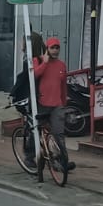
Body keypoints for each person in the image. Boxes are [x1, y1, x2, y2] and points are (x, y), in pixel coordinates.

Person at [27, 36, 69, 166]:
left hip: (57, 105)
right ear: (47, 48)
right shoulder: (37, 60)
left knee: (59, 134)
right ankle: (30, 157)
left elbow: (63, 86)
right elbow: (34, 75)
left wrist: (63, 102)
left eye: (57, 48)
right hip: (41, 103)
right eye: (52, 48)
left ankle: (62, 161)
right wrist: (44, 62)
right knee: (36, 132)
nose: (55, 51)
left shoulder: (62, 65)